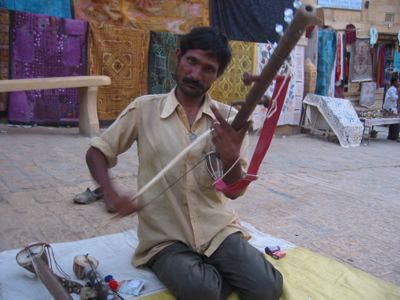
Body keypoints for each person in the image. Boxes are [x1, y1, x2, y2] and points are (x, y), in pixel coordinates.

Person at [85, 27, 283, 300]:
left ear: (217, 75)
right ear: (178, 58)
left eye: (208, 69)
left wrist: (230, 156)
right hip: (165, 237)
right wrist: (110, 194)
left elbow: (234, 191)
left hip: (218, 229)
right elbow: (97, 152)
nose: (196, 75)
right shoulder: (145, 109)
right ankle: (202, 276)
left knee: (269, 287)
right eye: (192, 62)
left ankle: (210, 272)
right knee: (201, 291)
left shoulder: (230, 120)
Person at [383, 76, 399, 141]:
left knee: (394, 123)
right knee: (396, 122)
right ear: (394, 82)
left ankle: (392, 136)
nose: (398, 83)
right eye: (397, 81)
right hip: (390, 108)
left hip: (392, 108)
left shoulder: (394, 89)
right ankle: (393, 136)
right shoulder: (392, 89)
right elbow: (393, 97)